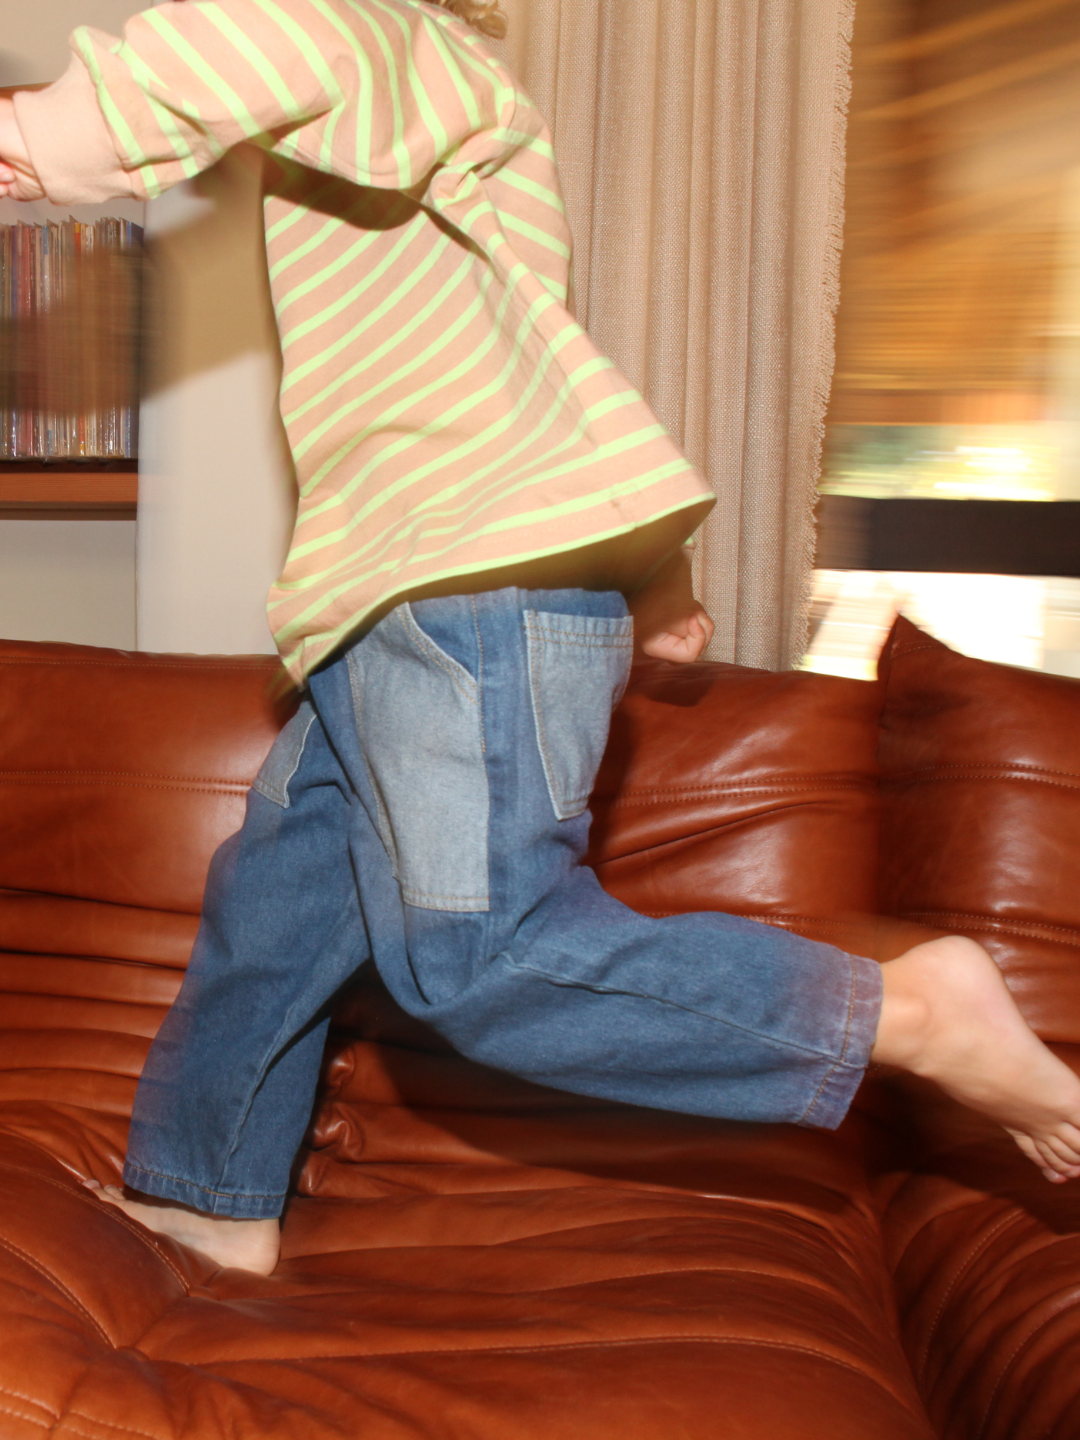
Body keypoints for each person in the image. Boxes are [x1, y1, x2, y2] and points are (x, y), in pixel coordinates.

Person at [1, 0, 1078, 1278]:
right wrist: (648, 570)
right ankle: (212, 1188)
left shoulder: (375, 33)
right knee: (279, 911)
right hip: (393, 599)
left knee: (483, 954)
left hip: (460, 590)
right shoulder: (419, 95)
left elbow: (256, 40)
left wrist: (47, 131)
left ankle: (902, 1013)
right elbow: (538, 351)